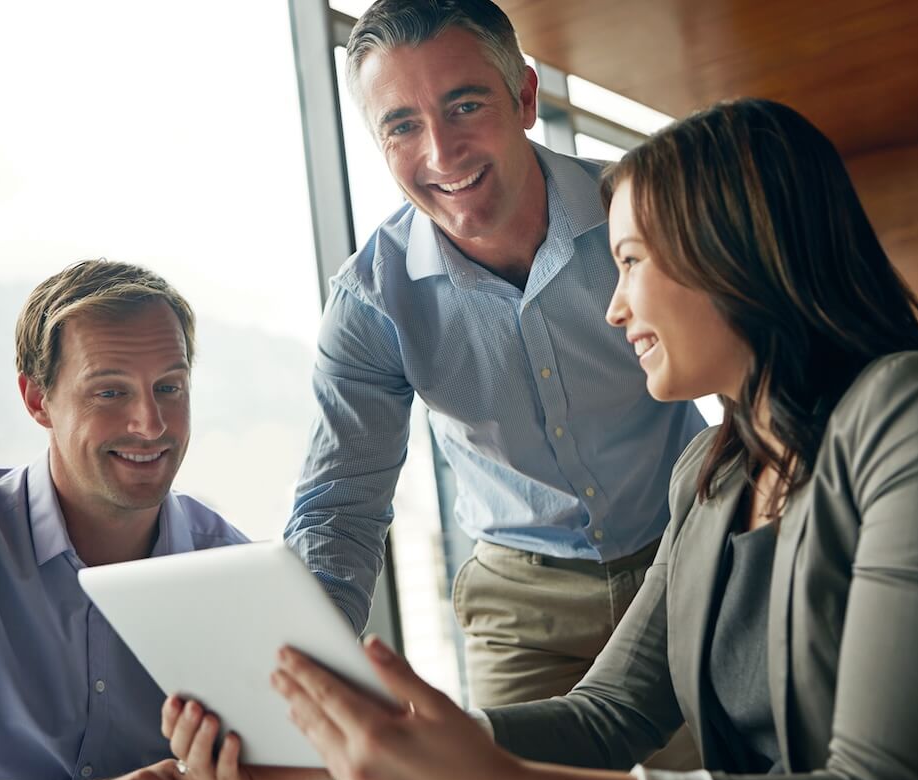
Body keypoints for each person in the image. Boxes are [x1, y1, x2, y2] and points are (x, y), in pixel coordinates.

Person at [170, 98, 918, 780]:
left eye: (628, 262)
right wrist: (375, 740)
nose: (615, 306)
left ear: (732, 252)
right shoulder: (712, 479)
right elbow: (609, 713)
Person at [284, 0, 706, 718]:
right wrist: (304, 685)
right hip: (521, 611)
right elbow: (340, 507)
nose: (441, 154)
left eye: (465, 105)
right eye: (402, 126)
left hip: (690, 555)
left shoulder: (650, 210)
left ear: (526, 97)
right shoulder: (370, 301)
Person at [0, 260, 286, 780]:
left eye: (169, 387)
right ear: (38, 400)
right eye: (110, 392)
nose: (152, 424)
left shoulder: (235, 574)